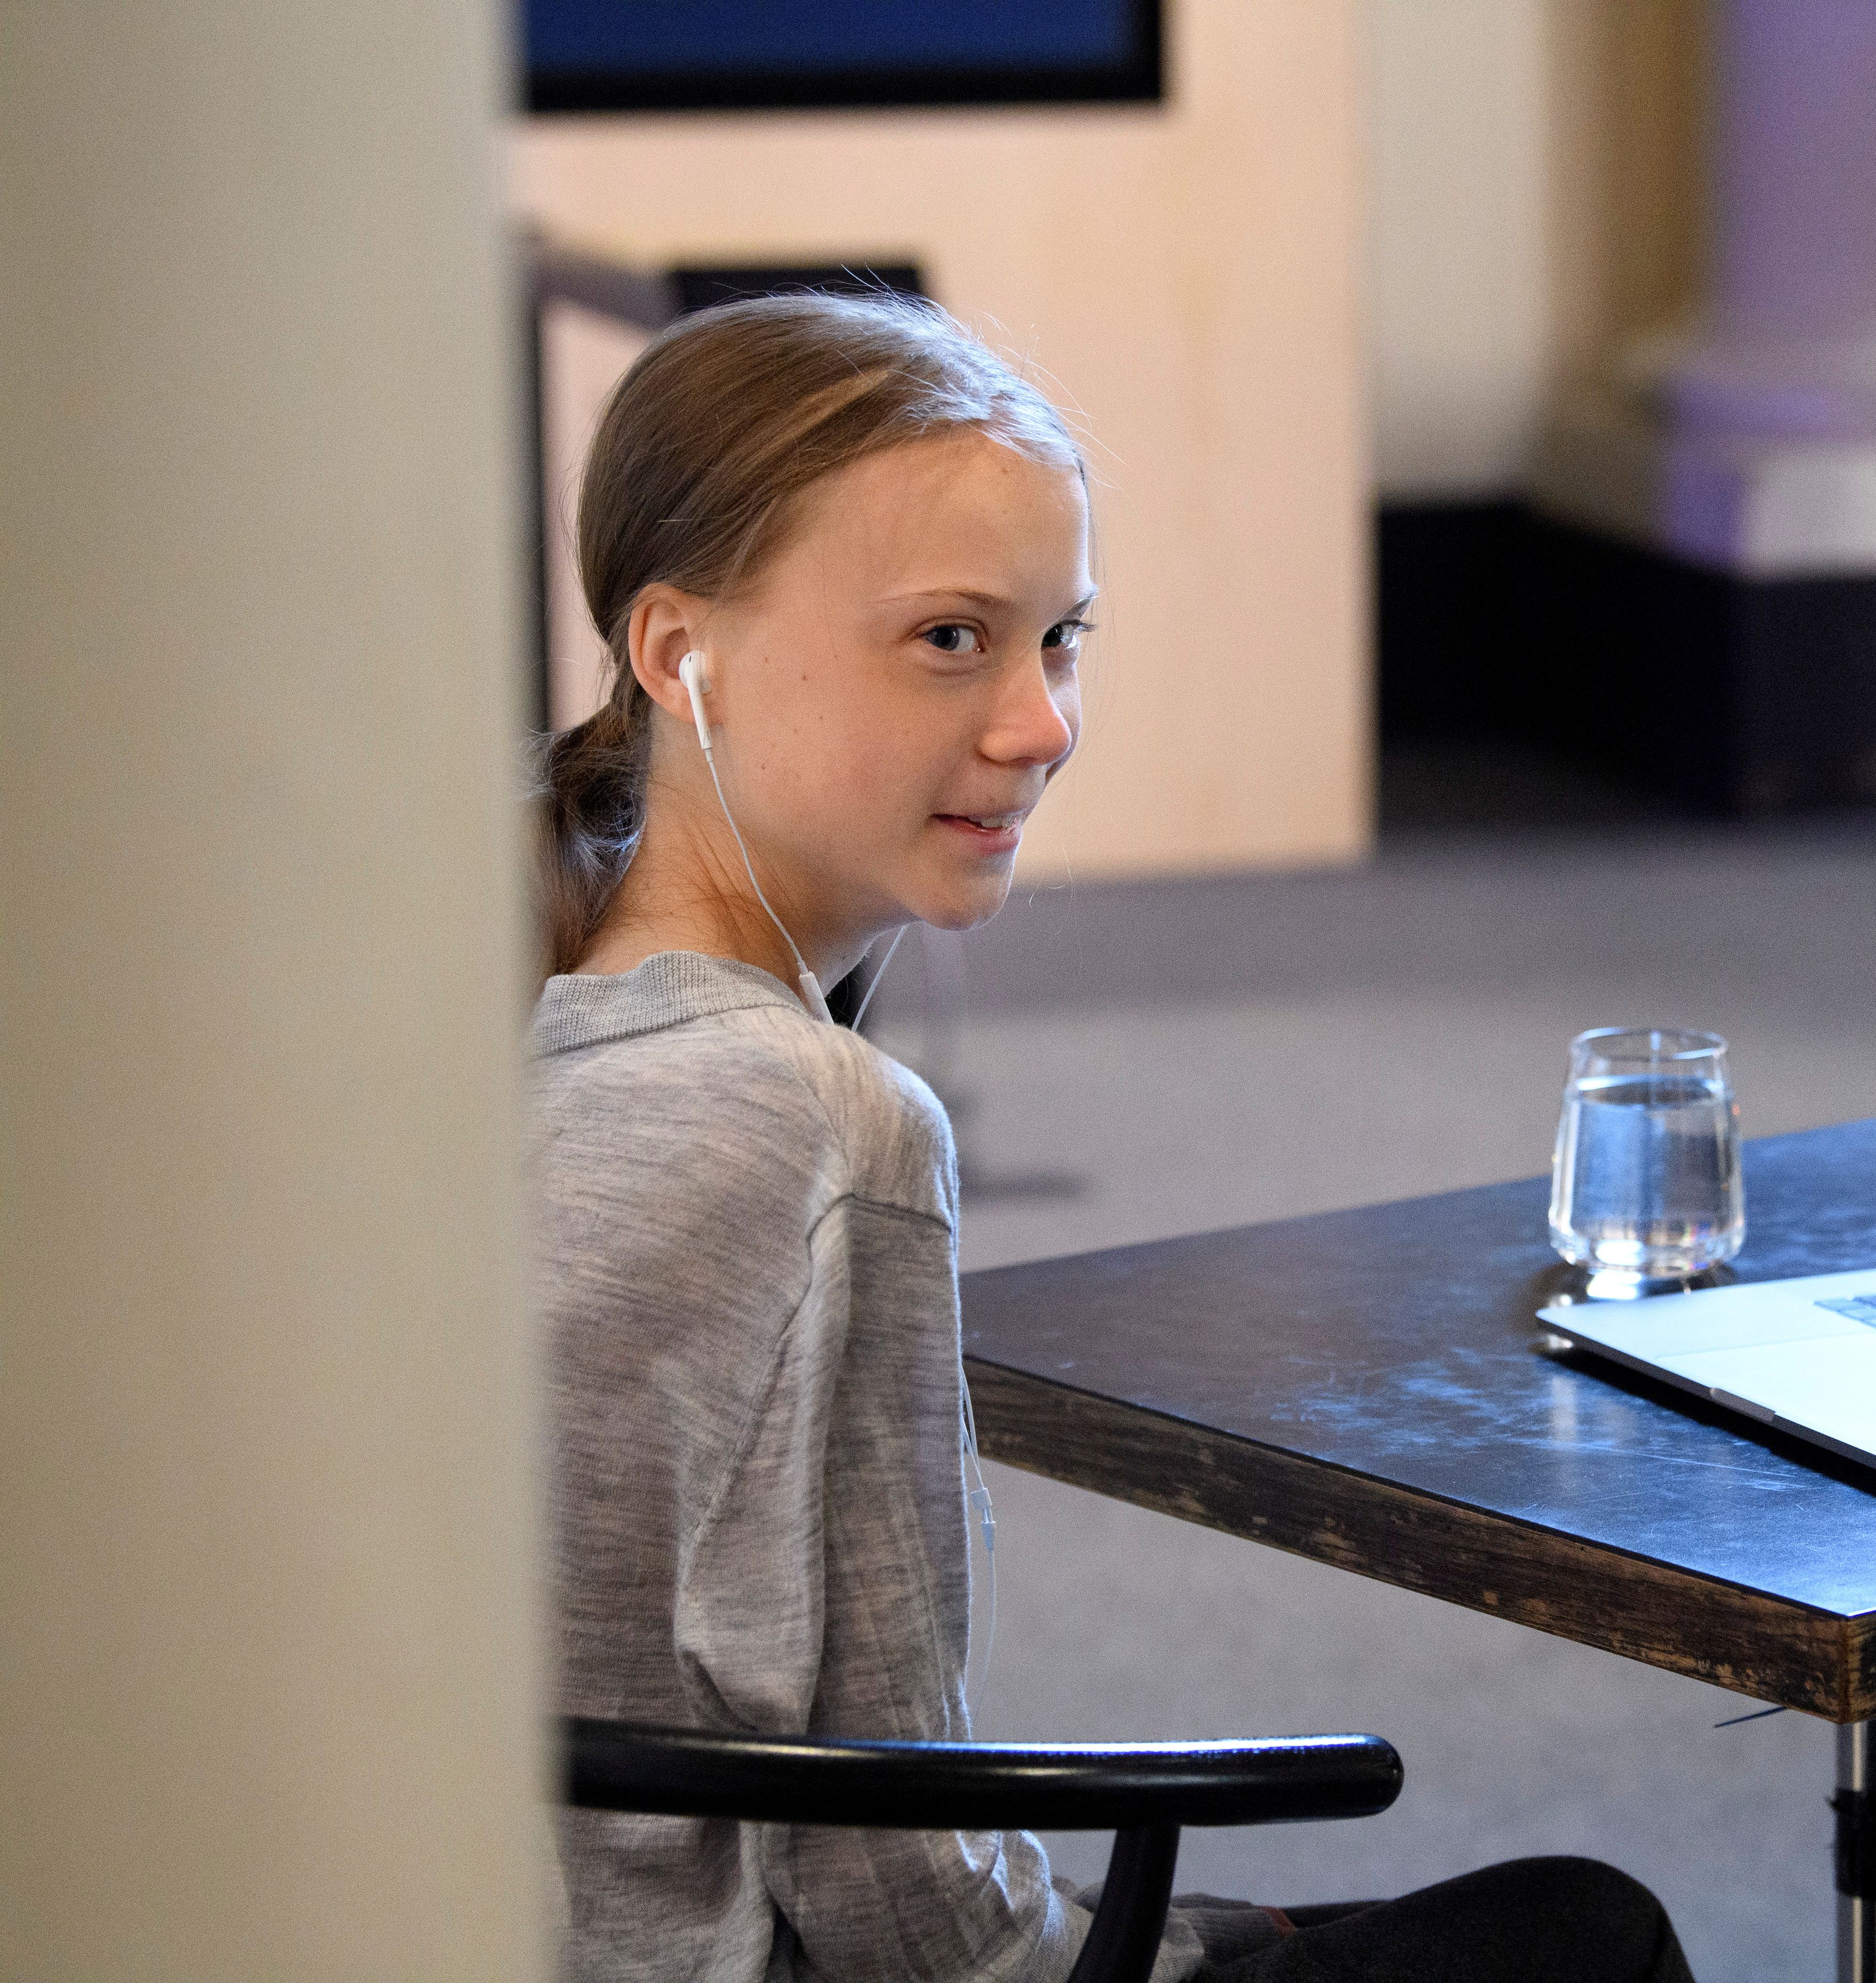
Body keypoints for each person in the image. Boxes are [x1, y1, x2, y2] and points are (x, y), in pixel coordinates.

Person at [530, 293, 1694, 1983]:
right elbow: (892, 1891)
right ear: (674, 649)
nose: (1040, 723)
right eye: (949, 638)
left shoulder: (498, 1003)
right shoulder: (812, 1116)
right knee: (1583, 1935)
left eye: (1059, 638)